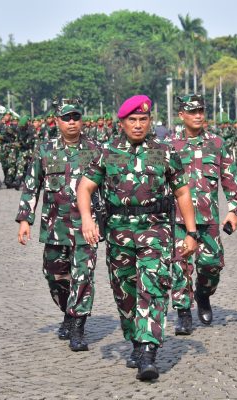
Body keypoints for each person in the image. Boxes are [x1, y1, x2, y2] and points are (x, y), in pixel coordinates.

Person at [76, 94, 198, 381]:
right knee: (126, 294)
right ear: (122, 123)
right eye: (133, 120)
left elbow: (182, 192)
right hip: (119, 232)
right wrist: (86, 219)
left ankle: (147, 350)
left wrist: (191, 233)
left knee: (153, 287)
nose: (139, 124)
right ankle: (134, 338)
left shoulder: (164, 152)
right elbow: (85, 188)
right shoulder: (106, 153)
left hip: (155, 230)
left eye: (143, 119)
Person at [16, 99, 101, 352]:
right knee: (54, 275)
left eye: (76, 116)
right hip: (55, 226)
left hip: (86, 227)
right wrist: (24, 220)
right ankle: (68, 310)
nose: (72, 122)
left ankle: (78, 326)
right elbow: (32, 185)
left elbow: (107, 187)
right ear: (57, 121)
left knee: (83, 275)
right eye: (67, 118)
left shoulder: (96, 150)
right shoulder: (45, 150)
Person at [167, 94, 237, 335]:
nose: (198, 115)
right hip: (178, 220)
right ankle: (183, 314)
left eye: (201, 111)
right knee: (181, 267)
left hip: (208, 219)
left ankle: (203, 294)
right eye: (192, 112)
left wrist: (233, 210)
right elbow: (158, 180)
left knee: (211, 266)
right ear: (181, 115)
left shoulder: (217, 144)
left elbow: (230, 179)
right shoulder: (169, 145)